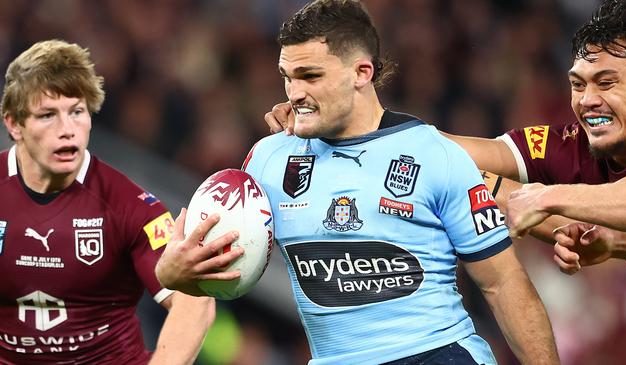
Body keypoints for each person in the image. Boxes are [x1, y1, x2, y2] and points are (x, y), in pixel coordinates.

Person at [156, 1, 560, 364]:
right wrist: (175, 278)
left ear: (361, 73)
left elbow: (503, 283)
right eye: (287, 77)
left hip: (437, 354)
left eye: (310, 75)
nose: (294, 92)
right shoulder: (268, 160)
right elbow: (225, 274)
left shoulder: (434, 154)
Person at [265, 0, 626, 283]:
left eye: (608, 83)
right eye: (578, 84)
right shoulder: (573, 146)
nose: (587, 100)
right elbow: (442, 151)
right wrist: (332, 110)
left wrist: (545, 197)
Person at [0, 39, 217, 364]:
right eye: (47, 115)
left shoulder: (130, 205)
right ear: (14, 124)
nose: (67, 130)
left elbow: (194, 302)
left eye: (77, 112)